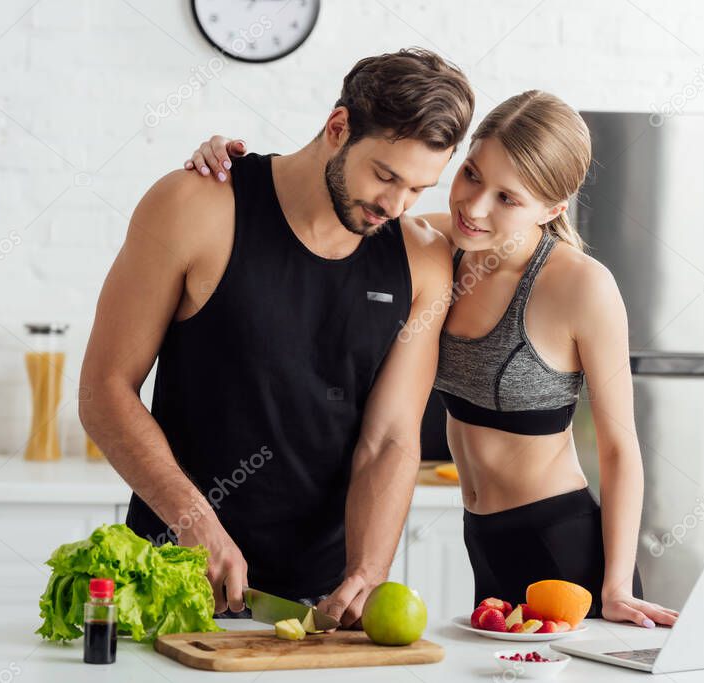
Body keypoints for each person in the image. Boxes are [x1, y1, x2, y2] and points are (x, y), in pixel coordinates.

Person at [182, 92, 679, 629]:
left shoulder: (581, 286)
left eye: (507, 199)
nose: (475, 206)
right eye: (471, 174)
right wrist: (236, 168)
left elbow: (619, 446)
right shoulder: (437, 243)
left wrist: (616, 583)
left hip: (562, 548)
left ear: (552, 209)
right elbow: (332, 203)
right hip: (482, 538)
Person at [78, 48, 474, 627]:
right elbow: (104, 390)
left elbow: (389, 438)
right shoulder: (195, 205)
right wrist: (197, 526)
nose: (395, 204)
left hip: (319, 607)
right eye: (385, 175)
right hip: (175, 585)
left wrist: (368, 570)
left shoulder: (423, 263)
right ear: (338, 128)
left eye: (418, 189)